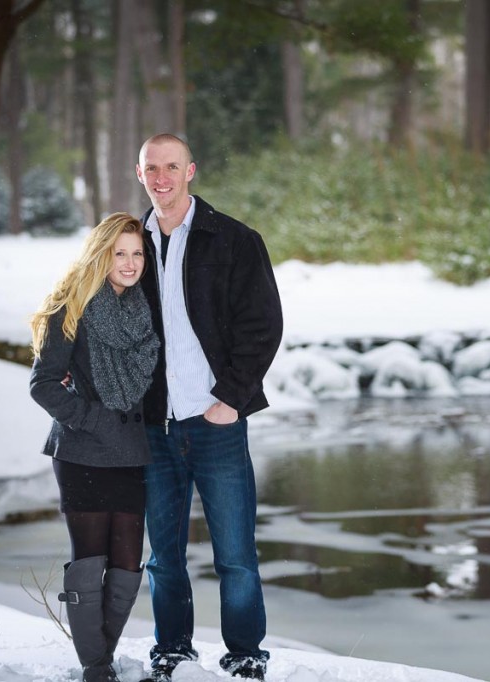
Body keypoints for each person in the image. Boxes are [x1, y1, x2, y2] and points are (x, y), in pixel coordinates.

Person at [135, 134, 283, 682]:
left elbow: (263, 326)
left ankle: (245, 655)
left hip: (215, 420)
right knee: (164, 555)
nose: (162, 178)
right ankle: (172, 651)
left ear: (190, 171)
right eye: (152, 168)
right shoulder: (127, 244)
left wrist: (231, 399)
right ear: (139, 173)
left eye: (172, 166)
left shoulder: (234, 240)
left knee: (236, 554)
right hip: (155, 425)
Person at [29, 213, 160, 682]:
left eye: (137, 253)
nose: (130, 263)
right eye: (119, 253)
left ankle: (101, 657)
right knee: (90, 560)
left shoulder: (143, 308)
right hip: (82, 451)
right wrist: (93, 419)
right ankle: (96, 667)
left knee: (126, 563)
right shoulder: (71, 307)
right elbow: (43, 384)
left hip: (130, 453)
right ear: (101, 254)